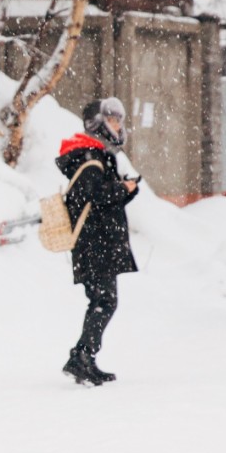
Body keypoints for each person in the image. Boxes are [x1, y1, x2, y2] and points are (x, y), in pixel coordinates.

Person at [57, 97, 139, 385]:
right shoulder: (90, 156)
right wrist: (121, 188)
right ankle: (81, 358)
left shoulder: (96, 154)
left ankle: (82, 357)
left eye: (119, 120)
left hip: (98, 242)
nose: (118, 126)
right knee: (104, 301)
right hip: (96, 243)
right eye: (113, 120)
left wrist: (126, 189)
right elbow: (92, 196)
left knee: (102, 301)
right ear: (98, 124)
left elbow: (100, 197)